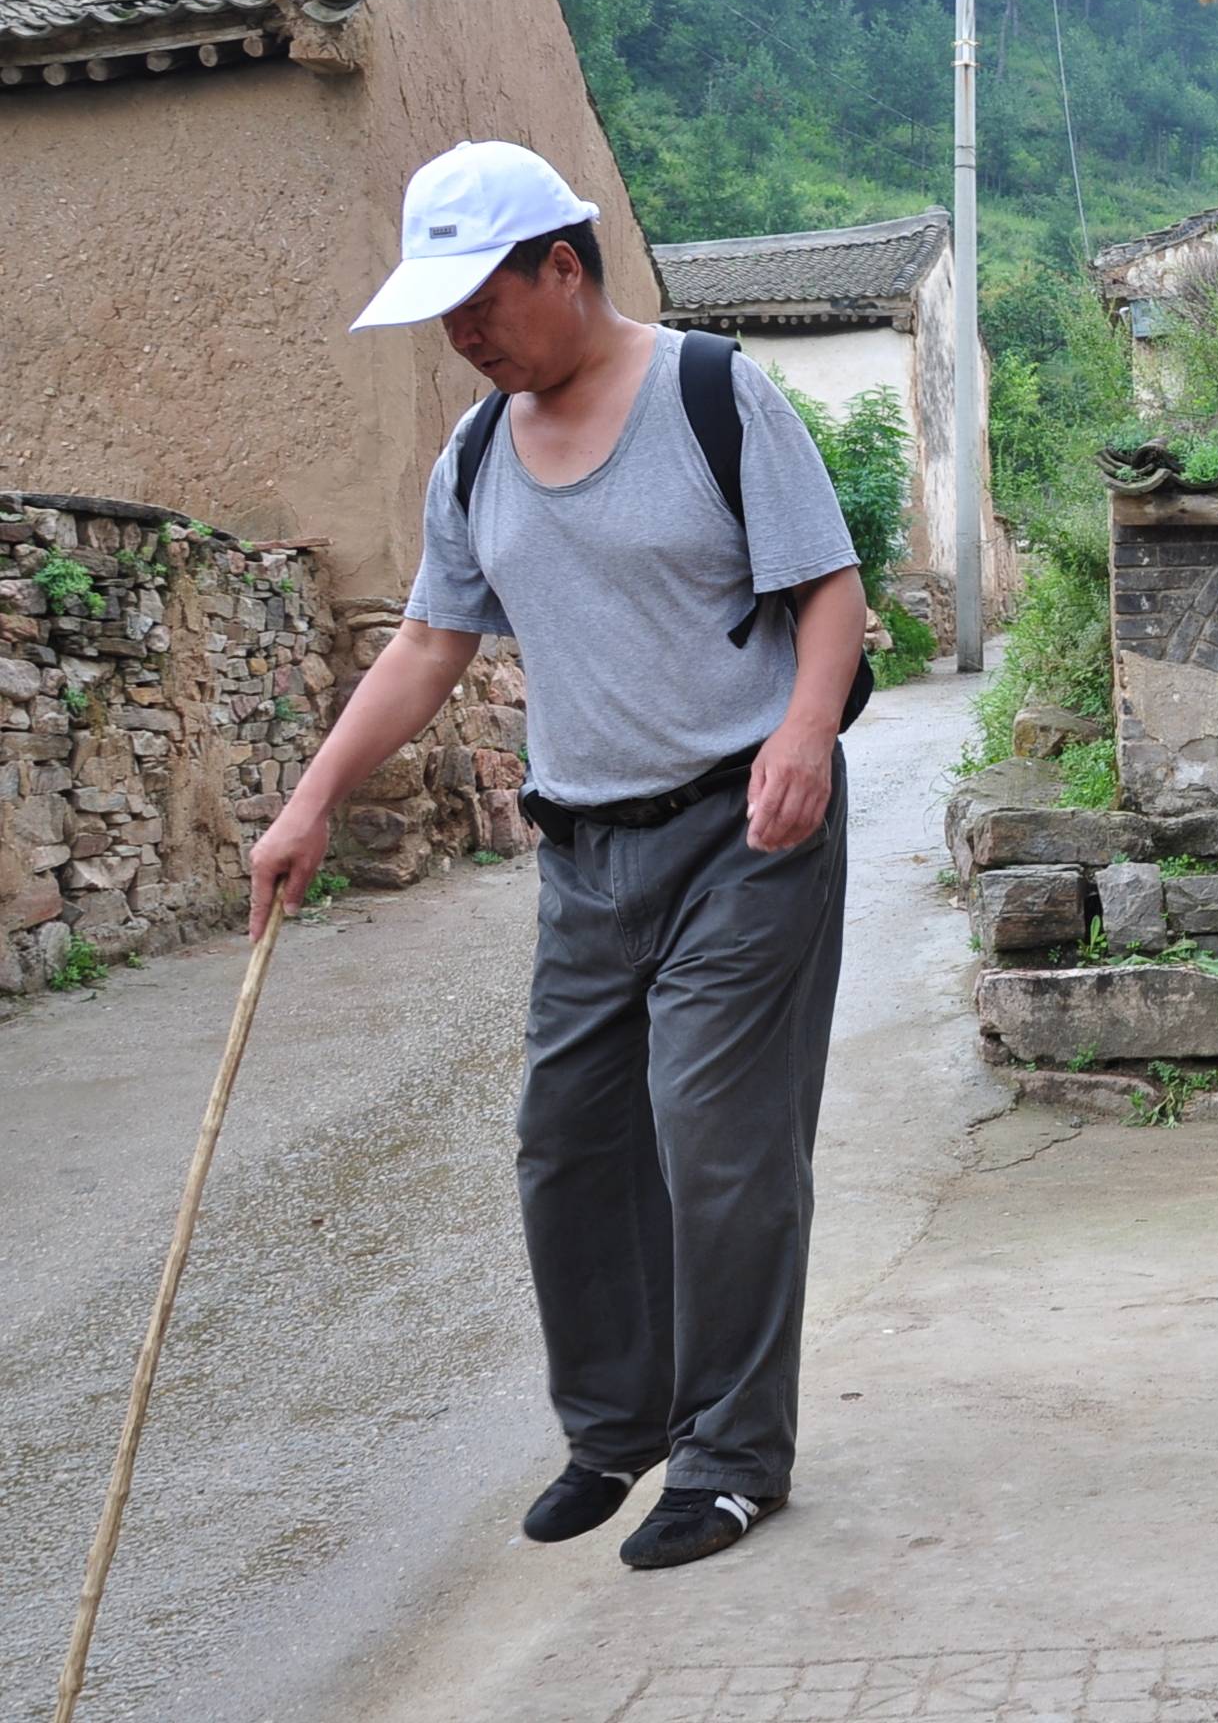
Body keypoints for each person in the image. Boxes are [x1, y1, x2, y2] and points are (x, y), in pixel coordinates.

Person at [244, 140, 869, 1572]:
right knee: (568, 1146)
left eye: (481, 298)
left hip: (743, 831)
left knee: (718, 1145)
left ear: (565, 268)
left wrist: (807, 735)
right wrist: (312, 797)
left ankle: (728, 1458)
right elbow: (426, 641)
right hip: (585, 851)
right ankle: (616, 1430)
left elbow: (829, 592)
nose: (461, 332)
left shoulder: (711, 394)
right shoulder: (475, 451)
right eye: (442, 309)